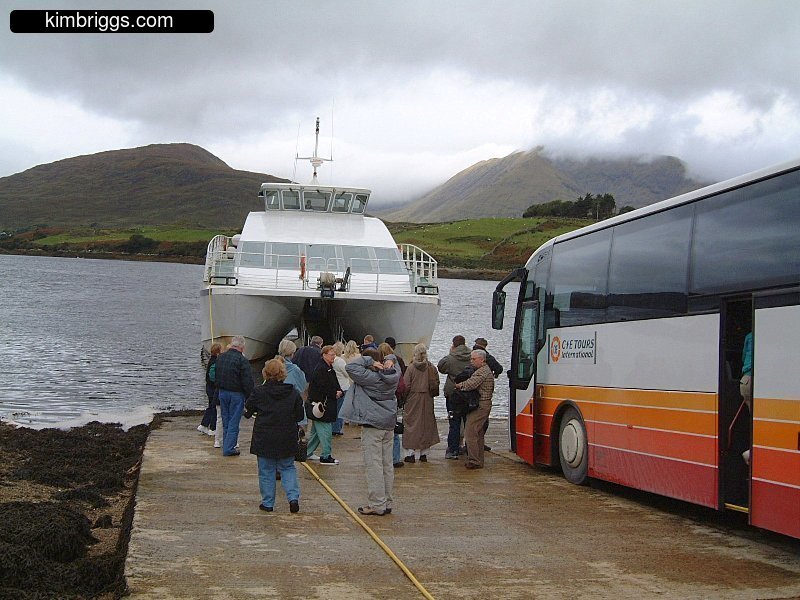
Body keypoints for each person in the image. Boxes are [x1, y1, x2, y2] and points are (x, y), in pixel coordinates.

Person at [341, 348, 400, 515]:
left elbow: (350, 368)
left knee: (373, 466)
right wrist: (389, 359)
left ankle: (377, 504)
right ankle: (387, 501)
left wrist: (367, 361)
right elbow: (394, 358)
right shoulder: (393, 374)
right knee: (387, 465)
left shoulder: (370, 378)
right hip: (388, 424)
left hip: (372, 425)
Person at [244, 358, 304, 513]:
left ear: (265, 373)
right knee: (288, 468)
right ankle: (293, 498)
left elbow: (248, 410)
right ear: (283, 373)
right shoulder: (292, 392)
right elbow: (299, 415)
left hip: (265, 436)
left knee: (266, 470)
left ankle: (268, 502)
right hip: (287, 435)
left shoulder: (259, 392)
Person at [214, 335, 255, 456]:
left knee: (226, 420)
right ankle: (229, 448)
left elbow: (216, 375)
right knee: (233, 421)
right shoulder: (242, 361)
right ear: (242, 347)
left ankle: (226, 445)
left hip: (222, 392)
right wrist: (250, 399)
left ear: (232, 345)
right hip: (236, 394)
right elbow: (247, 382)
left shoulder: (221, 358)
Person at [455, 349, 495, 469]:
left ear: (482, 360)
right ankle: (478, 459)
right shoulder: (484, 370)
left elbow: (471, 384)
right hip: (484, 404)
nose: (471, 361)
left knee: (470, 432)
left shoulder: (482, 372)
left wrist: (458, 385)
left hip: (481, 405)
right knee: (478, 432)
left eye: (474, 359)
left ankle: (474, 460)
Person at [402, 344, 440, 463]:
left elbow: (406, 385)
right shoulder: (431, 367)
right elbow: (436, 382)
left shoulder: (411, 367)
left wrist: (403, 398)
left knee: (411, 424)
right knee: (426, 423)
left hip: (414, 397)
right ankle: (424, 452)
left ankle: (411, 453)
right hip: (427, 397)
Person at [306, 345, 342, 464]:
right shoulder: (322, 369)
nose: (333, 356)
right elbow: (322, 387)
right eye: (331, 354)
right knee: (326, 431)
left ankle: (306, 452)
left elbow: (332, 383)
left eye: (334, 354)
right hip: (322, 406)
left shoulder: (328, 368)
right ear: (324, 355)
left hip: (324, 404)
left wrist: (338, 390)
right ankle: (326, 456)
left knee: (316, 433)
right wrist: (334, 393)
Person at [437, 335, 472, 459]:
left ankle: (453, 450)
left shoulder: (450, 358)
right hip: (469, 393)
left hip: (453, 394)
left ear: (454, 344)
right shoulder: (472, 356)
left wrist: (450, 353)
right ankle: (470, 448)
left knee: (454, 422)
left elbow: (440, 367)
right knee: (469, 422)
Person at [384, 337, 408, 468]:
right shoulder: (399, 360)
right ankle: (395, 458)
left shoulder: (378, 364)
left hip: (385, 401)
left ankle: (387, 458)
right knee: (394, 430)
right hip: (396, 399)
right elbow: (403, 381)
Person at [197, 343, 221, 436]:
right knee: (214, 407)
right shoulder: (215, 362)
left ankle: (204, 425)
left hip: (209, 387)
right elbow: (212, 376)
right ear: (218, 352)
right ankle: (212, 428)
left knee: (211, 406)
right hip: (213, 387)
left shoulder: (211, 360)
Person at [331, 341, 350, 436]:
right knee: (340, 409)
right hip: (343, 386)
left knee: (334, 408)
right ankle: (337, 428)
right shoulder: (340, 361)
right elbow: (347, 373)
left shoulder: (332, 360)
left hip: (334, 386)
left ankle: (333, 427)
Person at [740, 331, 753, 465]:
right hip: (753, 379)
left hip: (746, 380)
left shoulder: (749, 336)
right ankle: (751, 452)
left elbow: (744, 358)